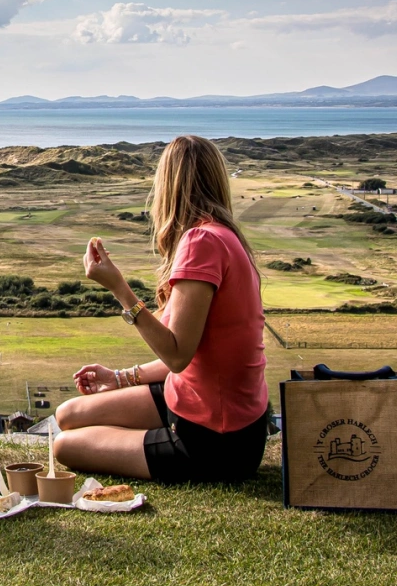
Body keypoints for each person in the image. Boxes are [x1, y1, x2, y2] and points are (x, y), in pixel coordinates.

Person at [54, 135, 268, 485]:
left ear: (168, 185)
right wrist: (119, 378)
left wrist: (119, 289)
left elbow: (177, 355)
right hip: (214, 410)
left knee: (65, 445)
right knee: (67, 414)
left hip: (216, 440)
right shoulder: (222, 234)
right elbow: (195, 356)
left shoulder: (202, 241)